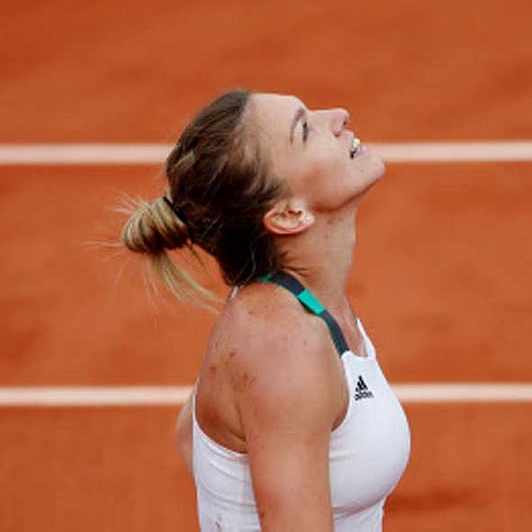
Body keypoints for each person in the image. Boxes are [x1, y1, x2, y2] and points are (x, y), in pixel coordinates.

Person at [121, 89, 411, 531]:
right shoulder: (283, 342)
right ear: (290, 214)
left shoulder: (292, 304)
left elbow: (190, 432)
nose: (338, 115)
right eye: (306, 130)